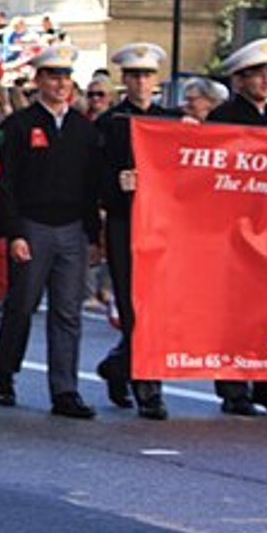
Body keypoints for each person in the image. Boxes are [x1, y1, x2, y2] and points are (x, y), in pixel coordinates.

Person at [0, 45, 106, 419]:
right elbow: (5, 183)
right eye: (53, 77)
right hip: (33, 226)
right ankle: (4, 373)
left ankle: (65, 390)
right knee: (22, 305)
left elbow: (91, 186)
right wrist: (14, 231)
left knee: (67, 312)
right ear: (38, 81)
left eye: (66, 78)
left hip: (71, 227)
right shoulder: (19, 125)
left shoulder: (82, 129)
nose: (60, 84)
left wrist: (92, 234)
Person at [207, 38, 267, 417]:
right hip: (236, 225)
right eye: (255, 75)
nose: (264, 81)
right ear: (239, 80)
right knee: (236, 309)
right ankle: (233, 385)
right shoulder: (223, 119)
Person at [93, 43, 179, 419]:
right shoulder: (109, 124)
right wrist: (117, 184)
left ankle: (120, 366)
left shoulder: (171, 122)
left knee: (158, 306)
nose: (141, 82)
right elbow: (93, 180)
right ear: (124, 80)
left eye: (147, 75)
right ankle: (147, 387)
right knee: (132, 305)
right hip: (124, 221)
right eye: (134, 76)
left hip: (162, 225)